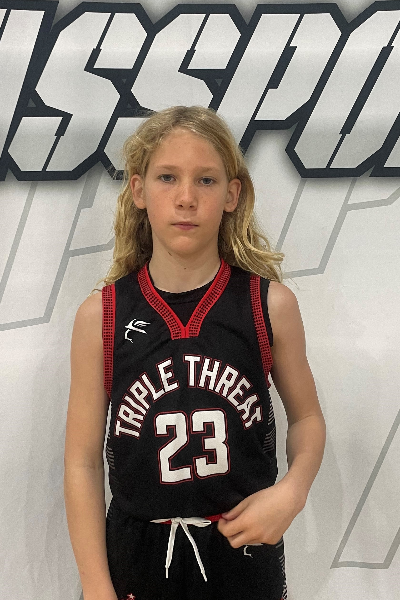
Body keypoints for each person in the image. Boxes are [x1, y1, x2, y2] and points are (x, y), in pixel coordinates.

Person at [64, 105, 326, 600]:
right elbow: (81, 462)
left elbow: (308, 418)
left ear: (232, 195)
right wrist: (96, 585)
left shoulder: (269, 305)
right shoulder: (101, 316)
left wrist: (292, 492)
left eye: (206, 180)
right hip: (136, 556)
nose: (186, 198)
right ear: (138, 190)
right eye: (167, 177)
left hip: (241, 550)